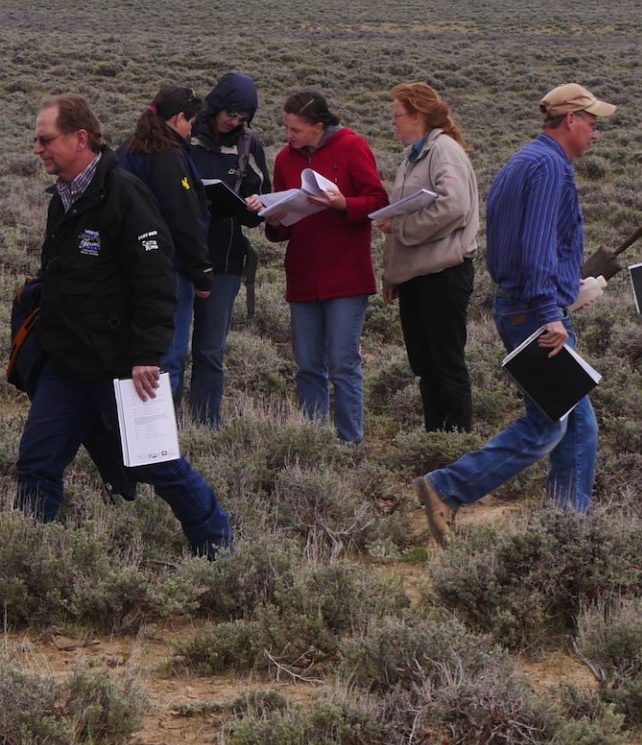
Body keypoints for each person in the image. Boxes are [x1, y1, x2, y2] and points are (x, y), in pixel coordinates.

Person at [14, 95, 232, 556]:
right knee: (36, 463)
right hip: (67, 363)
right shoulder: (64, 200)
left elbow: (155, 282)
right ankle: (31, 555)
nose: (38, 149)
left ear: (80, 138)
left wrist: (147, 355)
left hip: (119, 363)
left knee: (156, 463)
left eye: (45, 139)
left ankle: (216, 542)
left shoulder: (124, 194)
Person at [416, 84, 615, 543]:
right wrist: (551, 310)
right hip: (534, 312)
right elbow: (535, 247)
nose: (596, 133)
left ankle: (566, 529)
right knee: (549, 424)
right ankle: (448, 486)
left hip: (523, 304)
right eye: (592, 122)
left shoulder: (525, 159)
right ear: (570, 121)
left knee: (577, 424)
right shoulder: (549, 168)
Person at [255, 90, 387, 444]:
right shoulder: (285, 158)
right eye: (286, 128)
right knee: (308, 365)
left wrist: (343, 204)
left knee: (343, 364)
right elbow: (280, 227)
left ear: (318, 127)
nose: (288, 136)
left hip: (346, 275)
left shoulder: (352, 147)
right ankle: (312, 442)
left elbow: (377, 201)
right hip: (303, 276)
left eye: (295, 129)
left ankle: (350, 442)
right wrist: (273, 217)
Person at [376, 82, 482, 433]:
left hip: (444, 274)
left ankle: (457, 444)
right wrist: (393, 273)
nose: (393, 123)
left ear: (417, 116)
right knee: (425, 366)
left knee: (447, 364)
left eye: (397, 115)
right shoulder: (414, 154)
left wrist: (402, 230)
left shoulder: (443, 150)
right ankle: (435, 439)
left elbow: (454, 206)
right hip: (417, 277)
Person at [182, 72, 269, 428]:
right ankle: (163, 429)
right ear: (217, 104)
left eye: (242, 117)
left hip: (224, 261)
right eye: (230, 114)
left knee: (209, 352)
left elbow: (261, 200)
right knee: (168, 354)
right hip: (179, 260)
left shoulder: (250, 146)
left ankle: (205, 427)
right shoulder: (185, 134)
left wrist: (253, 206)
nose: (234, 122)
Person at [120, 86, 212, 402]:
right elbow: (185, 220)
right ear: (177, 119)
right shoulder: (169, 157)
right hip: (168, 272)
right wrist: (202, 271)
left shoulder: (129, 150)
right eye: (191, 122)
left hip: (129, 267)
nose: (192, 131)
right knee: (166, 358)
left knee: (137, 356)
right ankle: (160, 439)